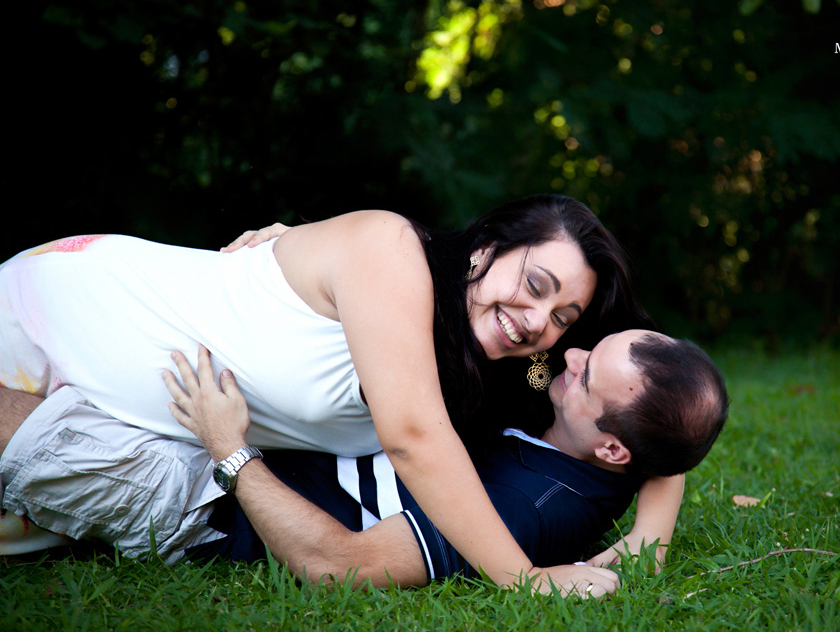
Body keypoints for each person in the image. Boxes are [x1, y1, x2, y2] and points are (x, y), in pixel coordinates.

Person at [0, 195, 669, 593]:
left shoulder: (497, 370)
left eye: (561, 318)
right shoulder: (389, 250)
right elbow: (413, 439)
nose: (536, 319)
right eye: (536, 283)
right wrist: (523, 580)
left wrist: (651, 537)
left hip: (129, 411)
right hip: (62, 321)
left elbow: (665, 401)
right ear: (486, 250)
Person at [0, 330, 728, 593]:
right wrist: (648, 542)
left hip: (201, 499)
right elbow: (674, 434)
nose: (565, 354)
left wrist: (230, 449)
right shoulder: (585, 423)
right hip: (268, 432)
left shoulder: (527, 510)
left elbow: (338, 567)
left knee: (18, 422)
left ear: (612, 448)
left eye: (584, 370)